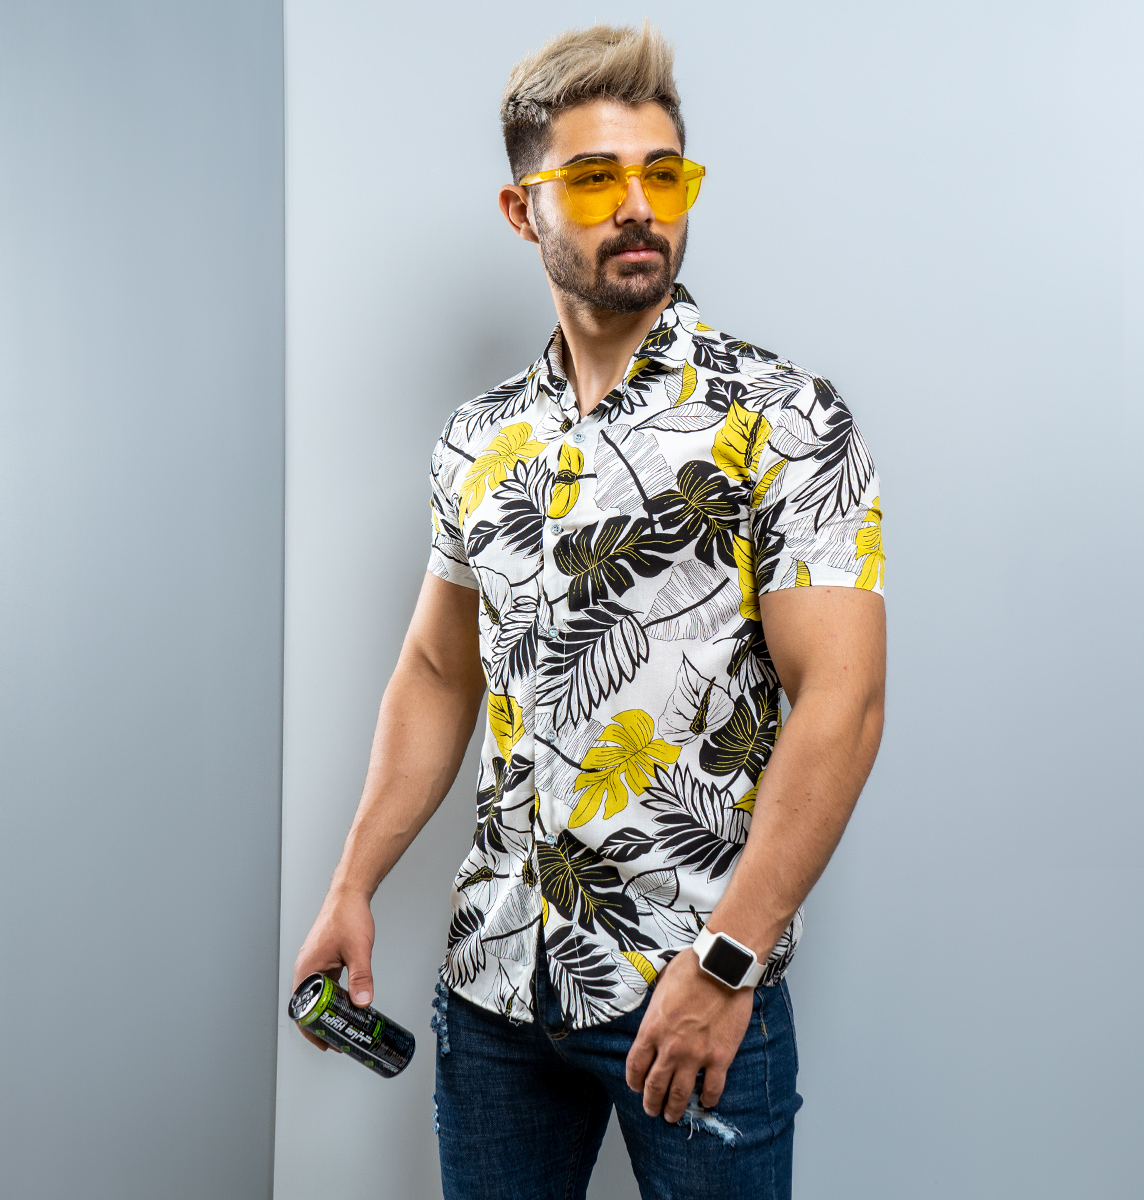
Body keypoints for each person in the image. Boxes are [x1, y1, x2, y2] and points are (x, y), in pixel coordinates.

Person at [293, 21, 886, 1200]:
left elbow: (845, 699)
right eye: (598, 178)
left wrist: (727, 963)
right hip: (495, 990)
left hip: (690, 989)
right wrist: (352, 882)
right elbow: (437, 672)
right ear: (524, 212)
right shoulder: (479, 440)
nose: (640, 207)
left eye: (663, 173)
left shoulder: (785, 416)